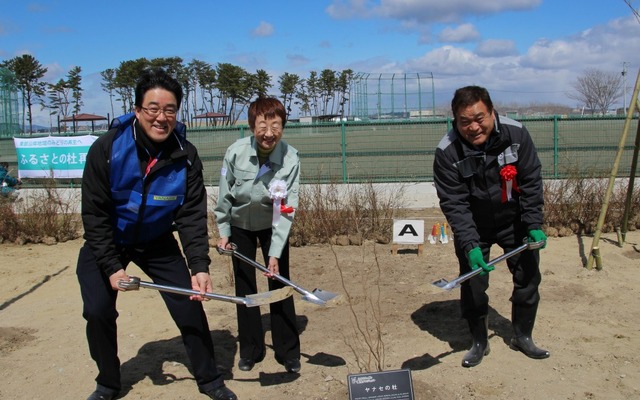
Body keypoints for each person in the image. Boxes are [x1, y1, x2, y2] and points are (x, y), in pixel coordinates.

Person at [76, 68, 237, 400]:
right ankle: (107, 382)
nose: (161, 117)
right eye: (153, 108)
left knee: (189, 304)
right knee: (98, 311)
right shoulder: (106, 150)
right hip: (108, 241)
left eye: (170, 110)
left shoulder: (185, 156)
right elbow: (95, 215)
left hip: (156, 242)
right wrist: (110, 266)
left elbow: (191, 216)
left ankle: (210, 380)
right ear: (137, 110)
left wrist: (199, 267)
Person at [433, 85, 549, 368]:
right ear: (455, 120)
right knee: (472, 284)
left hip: (516, 220)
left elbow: (531, 181)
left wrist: (533, 223)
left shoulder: (516, 134)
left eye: (479, 118)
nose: (473, 127)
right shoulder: (448, 151)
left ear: (492, 112)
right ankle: (478, 341)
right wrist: (470, 244)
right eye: (465, 121)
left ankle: (523, 336)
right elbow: (454, 203)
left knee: (528, 279)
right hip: (475, 223)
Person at [215, 97, 301, 374]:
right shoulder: (235, 152)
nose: (268, 133)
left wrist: (274, 252)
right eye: (262, 125)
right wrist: (224, 231)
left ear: (283, 127)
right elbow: (223, 195)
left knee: (280, 284)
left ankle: (287, 351)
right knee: (244, 287)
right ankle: (251, 349)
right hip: (240, 225)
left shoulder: (290, 159)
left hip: (273, 225)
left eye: (275, 125)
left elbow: (286, 209)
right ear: (252, 126)